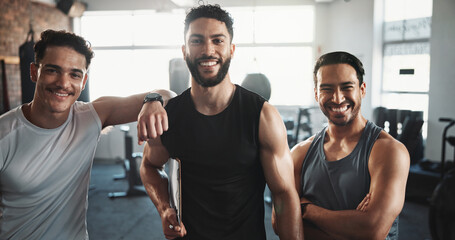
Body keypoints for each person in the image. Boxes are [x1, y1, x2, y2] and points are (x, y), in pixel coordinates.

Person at [139, 4, 303, 240]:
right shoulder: (170, 116)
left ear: (231, 49)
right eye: (197, 41)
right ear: (184, 50)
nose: (208, 50)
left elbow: (285, 196)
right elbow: (149, 166)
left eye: (218, 40)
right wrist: (164, 207)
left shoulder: (262, 116)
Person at [0, 29, 172, 239]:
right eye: (53, 70)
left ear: (84, 81)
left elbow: (169, 95)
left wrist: (153, 100)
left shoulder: (89, 117)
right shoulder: (4, 135)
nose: (63, 83)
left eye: (74, 74)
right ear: (34, 72)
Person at [283, 51, 410, 239]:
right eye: (327, 89)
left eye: (346, 87)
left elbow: (372, 230)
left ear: (362, 89)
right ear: (317, 94)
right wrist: (352, 227)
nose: (337, 98)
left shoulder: (389, 151)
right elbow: (281, 224)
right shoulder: (300, 153)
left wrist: (307, 210)